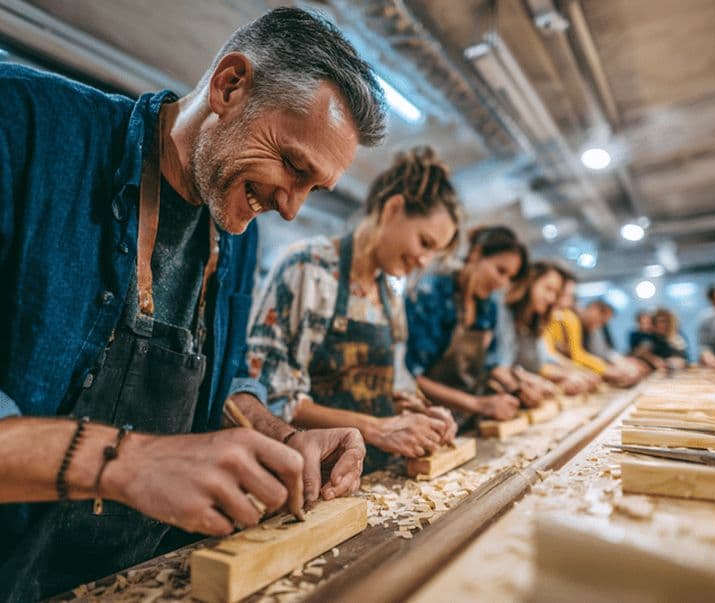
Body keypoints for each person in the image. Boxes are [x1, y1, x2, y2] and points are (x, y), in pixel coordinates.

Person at [0, 8, 386, 599]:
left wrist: (282, 440)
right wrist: (128, 463)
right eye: (291, 163)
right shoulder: (22, 124)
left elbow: (220, 380)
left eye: (315, 189)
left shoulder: (236, 227)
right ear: (230, 85)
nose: (291, 208)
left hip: (130, 580)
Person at [247, 147, 459, 472]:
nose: (423, 261)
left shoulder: (388, 294)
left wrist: (419, 411)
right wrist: (375, 428)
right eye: (425, 243)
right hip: (309, 474)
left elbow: (394, 384)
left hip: (373, 474)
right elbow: (271, 394)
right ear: (393, 209)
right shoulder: (308, 268)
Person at [405, 226, 529, 425]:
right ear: (476, 254)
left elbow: (490, 366)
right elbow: (411, 375)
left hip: (467, 419)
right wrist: (477, 404)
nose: (502, 283)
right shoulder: (431, 294)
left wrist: (519, 387)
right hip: (427, 419)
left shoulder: (487, 306)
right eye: (500, 270)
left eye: (509, 277)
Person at [499, 260, 592, 396]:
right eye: (548, 289)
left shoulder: (536, 322)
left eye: (556, 293)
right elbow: (501, 367)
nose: (552, 298)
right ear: (530, 282)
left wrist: (575, 373)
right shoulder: (504, 315)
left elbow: (544, 359)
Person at [544, 283, 644, 388]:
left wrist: (609, 368)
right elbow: (550, 356)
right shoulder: (565, 317)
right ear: (594, 309)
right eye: (564, 295)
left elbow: (579, 353)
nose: (569, 302)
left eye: (570, 296)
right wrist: (602, 370)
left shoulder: (569, 317)